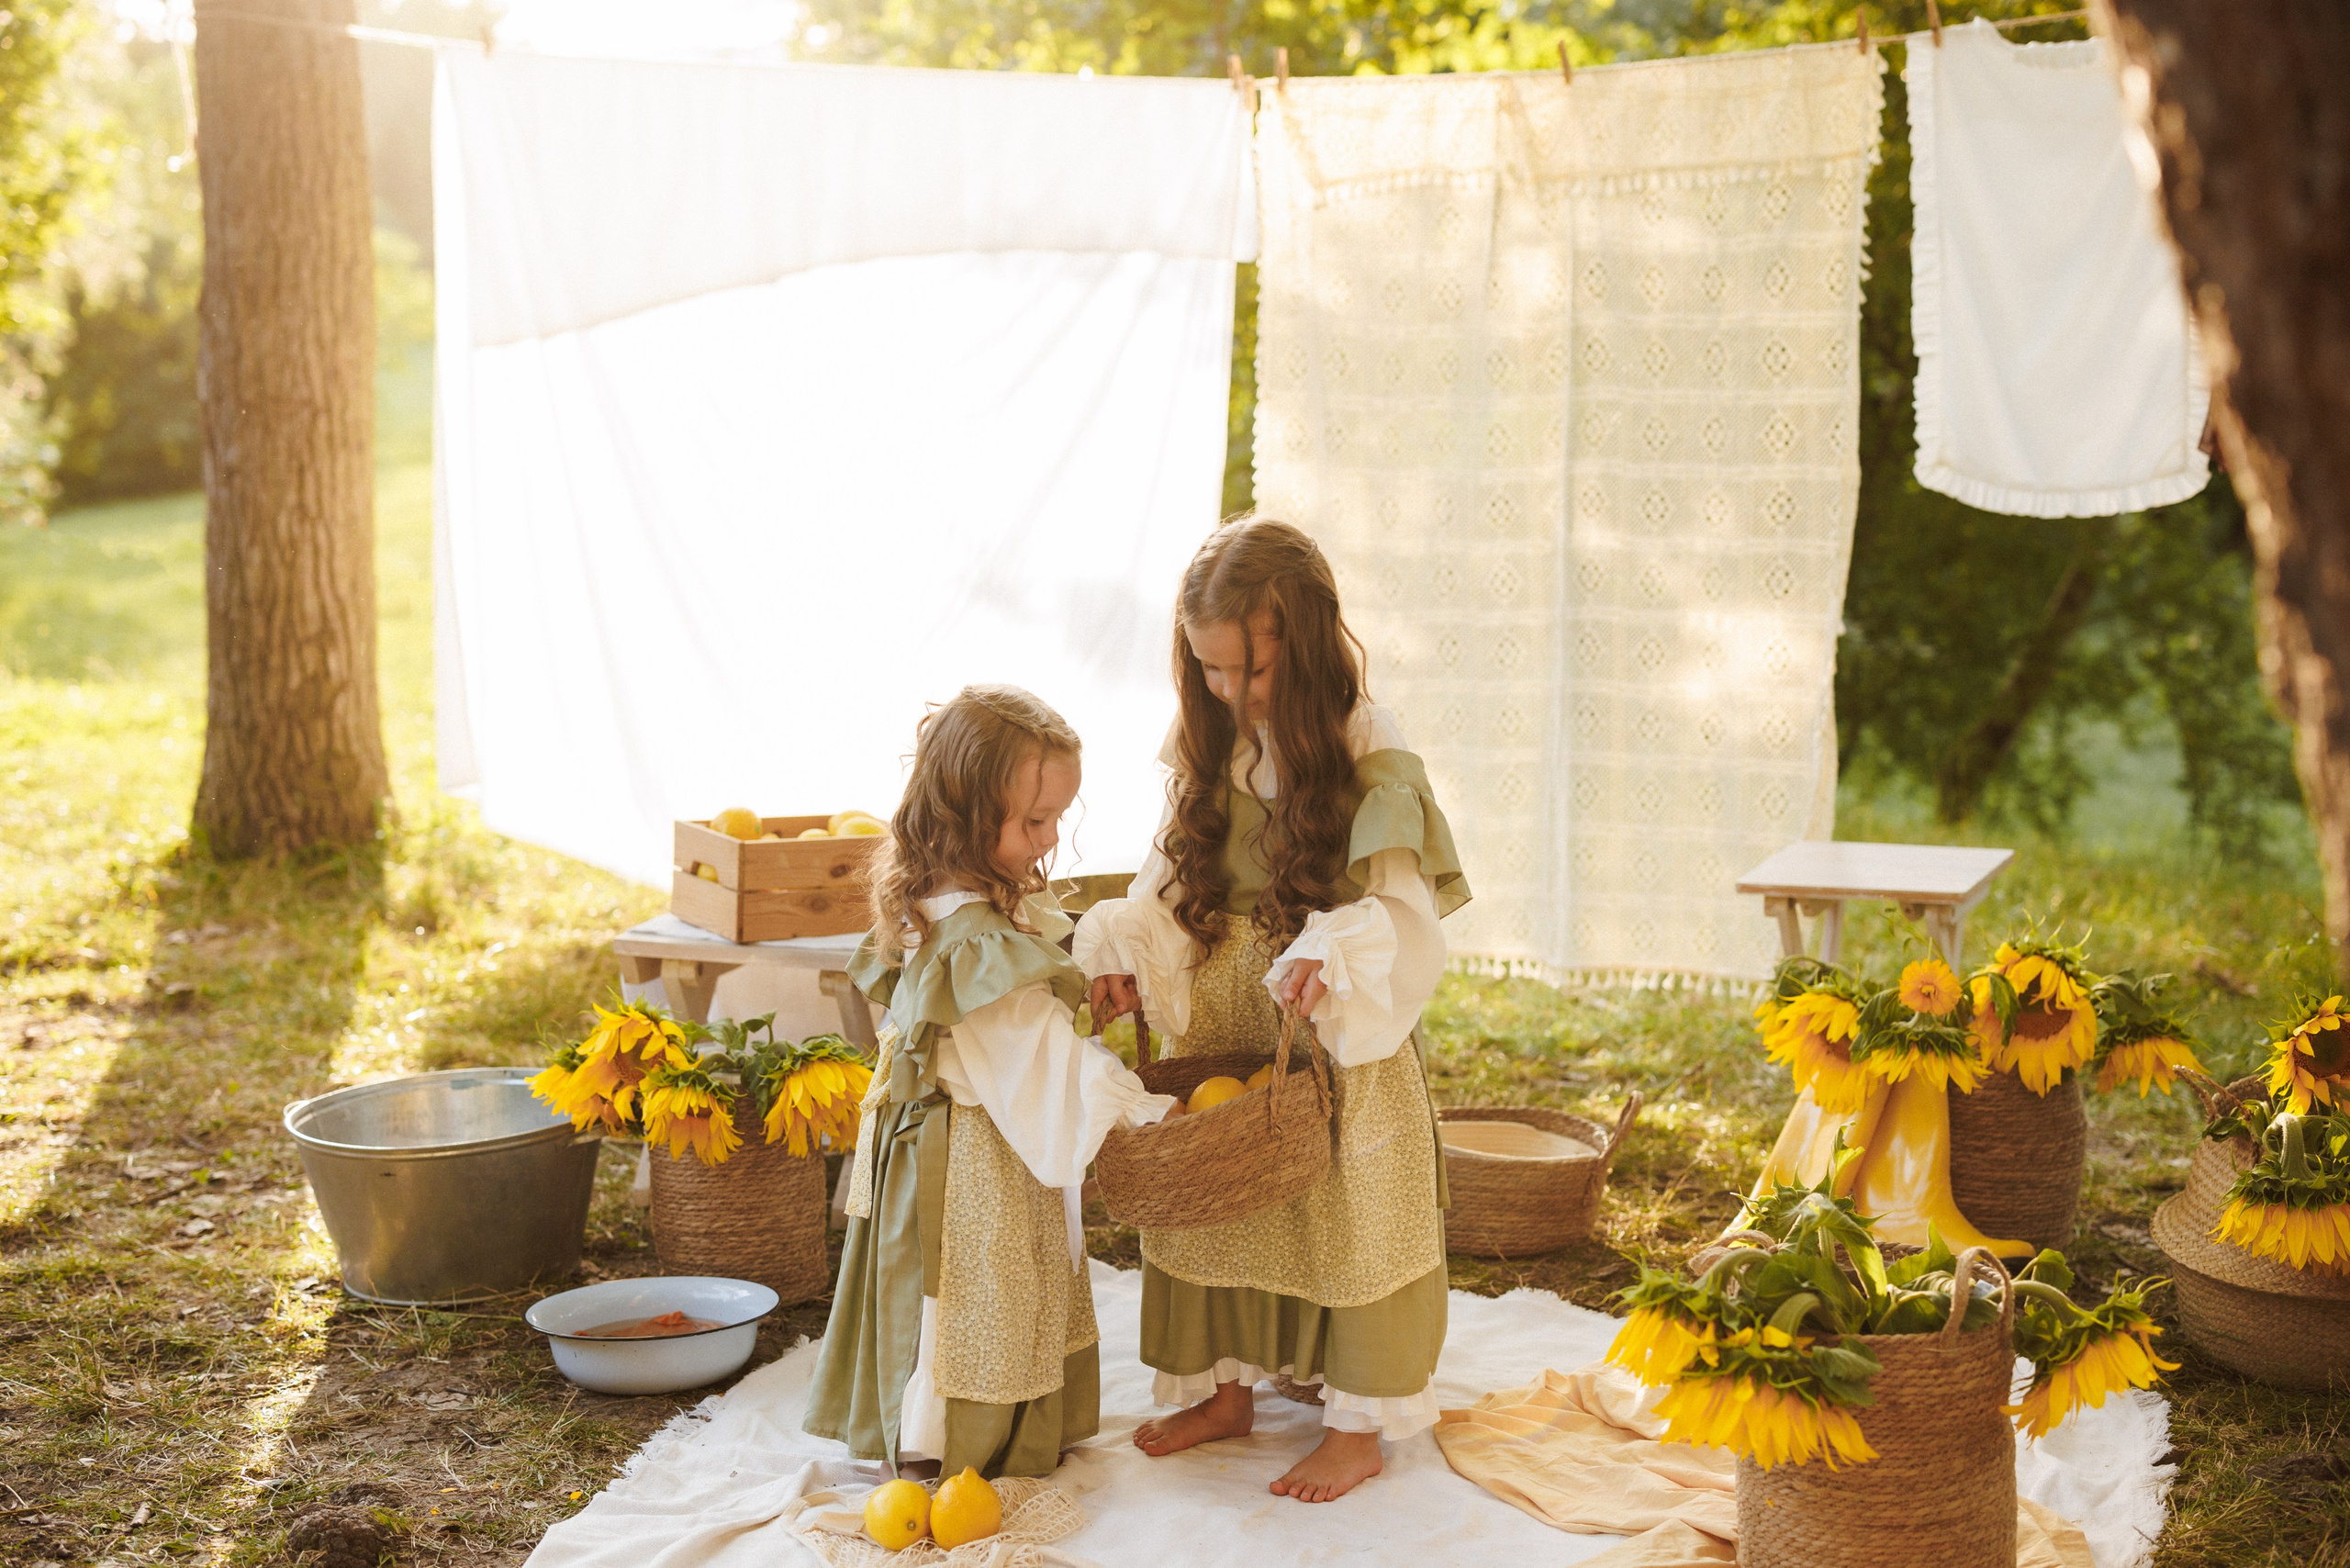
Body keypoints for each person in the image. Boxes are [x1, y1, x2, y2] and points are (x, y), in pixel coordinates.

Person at [1075, 518, 1471, 1503]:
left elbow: (1396, 901)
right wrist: (1138, 949)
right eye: (1207, 670)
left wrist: (1329, 952)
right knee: (1219, 1183)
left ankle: (1354, 1422)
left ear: (1302, 641)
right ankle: (1225, 1388)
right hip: (1223, 999)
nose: (1226, 692)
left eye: (1244, 673)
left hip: (1323, 1006)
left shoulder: (1364, 739)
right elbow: (1172, 866)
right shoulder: (1208, 730)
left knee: (1338, 1199)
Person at [803, 685, 1175, 1478]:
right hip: (970, 1154)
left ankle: (950, 1425)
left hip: (938, 1136)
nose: (1047, 841)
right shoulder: (970, 933)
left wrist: (1074, 986)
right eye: (1032, 823)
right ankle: (955, 1438)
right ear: (968, 815)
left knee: (980, 1291)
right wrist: (1139, 1107)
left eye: (1056, 821)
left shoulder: (944, 895)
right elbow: (1029, 1055)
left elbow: (1004, 1011)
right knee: (970, 1299)